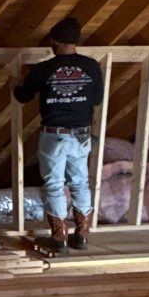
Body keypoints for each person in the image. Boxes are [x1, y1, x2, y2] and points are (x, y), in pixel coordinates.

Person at [14, 15, 104, 252]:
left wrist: (15, 85)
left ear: (56, 40)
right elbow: (97, 99)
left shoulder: (44, 69)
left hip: (54, 135)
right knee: (80, 183)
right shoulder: (92, 67)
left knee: (54, 185)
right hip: (82, 136)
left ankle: (59, 238)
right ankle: (82, 235)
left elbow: (23, 96)